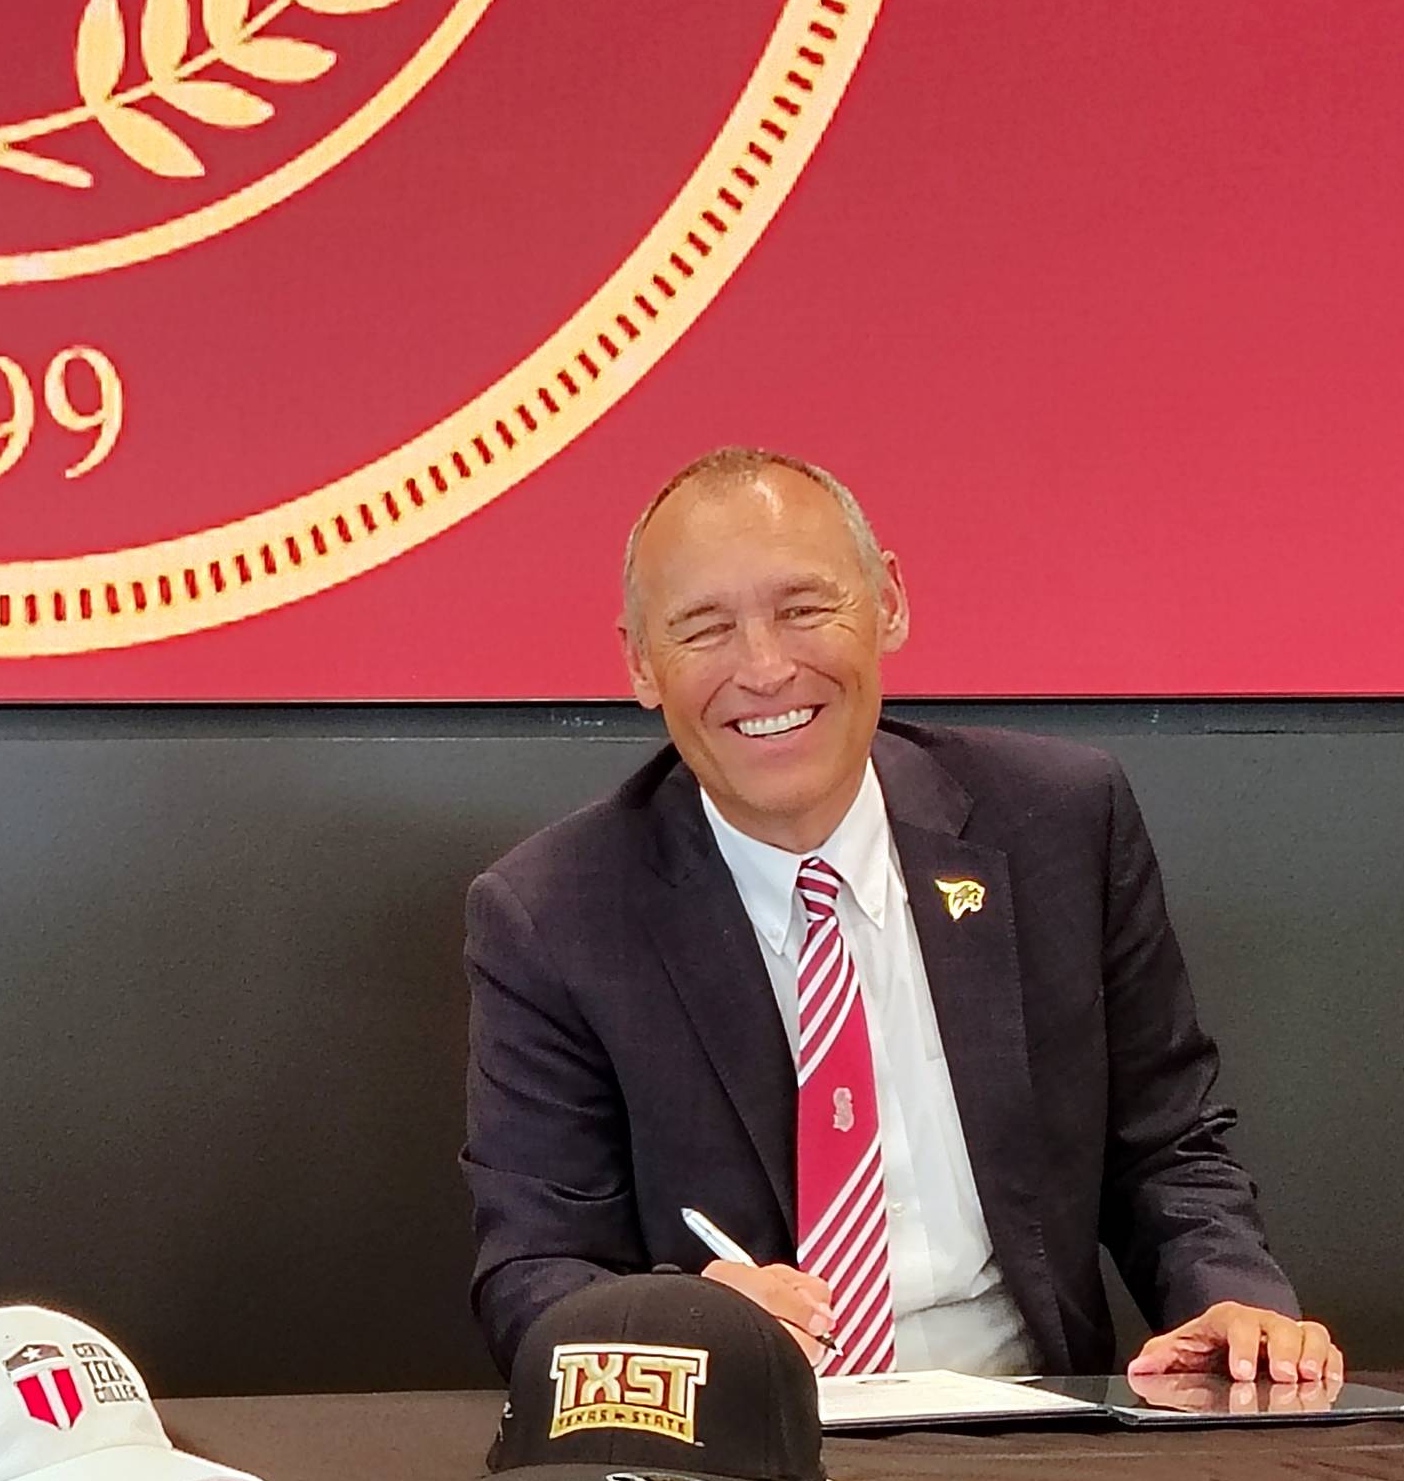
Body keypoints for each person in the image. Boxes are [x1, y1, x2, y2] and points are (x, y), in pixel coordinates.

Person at [462, 448, 1338, 1384]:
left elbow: (1166, 1147)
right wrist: (679, 1321)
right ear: (642, 664)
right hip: (743, 1438)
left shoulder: (1058, 823)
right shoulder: (554, 914)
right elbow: (534, 1272)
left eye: (804, 610)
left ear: (887, 602)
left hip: (1035, 1427)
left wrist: (1227, 1299)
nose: (765, 668)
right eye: (705, 629)